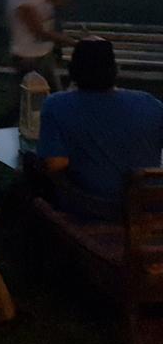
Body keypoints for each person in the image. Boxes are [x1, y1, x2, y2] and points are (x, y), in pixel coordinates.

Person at [39, 39, 163, 215]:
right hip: (147, 205)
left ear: (73, 71)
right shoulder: (149, 102)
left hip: (92, 207)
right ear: (114, 69)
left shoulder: (56, 105)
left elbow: (55, 163)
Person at [7, 0, 76, 100]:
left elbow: (63, 2)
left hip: (43, 55)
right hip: (27, 58)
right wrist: (72, 41)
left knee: (53, 97)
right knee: (25, 102)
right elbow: (39, 32)